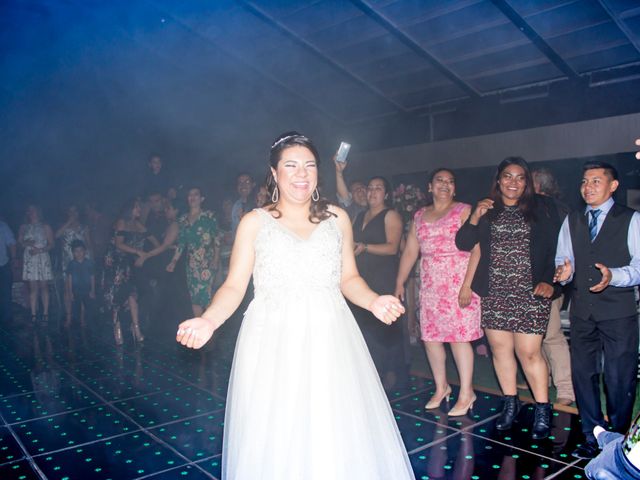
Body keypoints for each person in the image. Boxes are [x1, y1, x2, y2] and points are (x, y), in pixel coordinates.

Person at [175, 132, 415, 480]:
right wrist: (208, 321)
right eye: (291, 165)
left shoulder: (337, 219)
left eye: (309, 166)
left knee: (331, 427)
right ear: (274, 173)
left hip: (329, 334)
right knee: (278, 429)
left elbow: (349, 278)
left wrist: (374, 300)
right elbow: (233, 285)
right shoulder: (254, 222)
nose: (301, 173)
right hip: (273, 338)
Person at [456, 157, 561, 440]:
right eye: (507, 176)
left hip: (530, 292)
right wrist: (475, 215)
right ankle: (510, 404)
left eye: (519, 177)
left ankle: (542, 408)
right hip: (496, 292)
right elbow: (464, 243)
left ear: (526, 182)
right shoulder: (488, 210)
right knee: (501, 351)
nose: (513, 182)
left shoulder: (543, 208)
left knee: (529, 353)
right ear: (498, 180)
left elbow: (556, 248)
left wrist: (550, 281)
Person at [554, 161, 640, 459]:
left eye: (595, 181)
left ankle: (617, 441)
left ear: (613, 185)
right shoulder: (573, 219)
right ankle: (592, 436)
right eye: (584, 182)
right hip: (582, 311)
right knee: (583, 375)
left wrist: (613, 276)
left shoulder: (631, 219)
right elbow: (564, 259)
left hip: (619, 311)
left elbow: (639, 267)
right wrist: (563, 272)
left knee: (619, 377)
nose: (587, 187)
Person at [395, 168, 482, 416]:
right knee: (431, 338)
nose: (445, 184)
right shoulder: (419, 216)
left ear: (454, 188)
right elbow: (411, 251)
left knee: (459, 338)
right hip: (431, 286)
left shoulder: (464, 210)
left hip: (459, 284)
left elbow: (477, 249)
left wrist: (467, 285)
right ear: (430, 187)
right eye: (439, 181)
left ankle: (466, 392)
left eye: (450, 181)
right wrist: (400, 282)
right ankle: (441, 387)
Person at [351, 176, 406, 387]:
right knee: (363, 327)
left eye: (378, 188)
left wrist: (365, 247)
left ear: (387, 194)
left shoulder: (390, 215)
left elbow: (392, 247)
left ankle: (389, 372)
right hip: (361, 276)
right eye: (370, 187)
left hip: (383, 276)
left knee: (382, 326)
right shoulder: (359, 215)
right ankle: (369, 372)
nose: (372, 191)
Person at [532, 168, 575, 406]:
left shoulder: (545, 207)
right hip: (555, 281)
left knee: (550, 335)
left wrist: (549, 280)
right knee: (539, 336)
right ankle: (544, 379)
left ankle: (566, 388)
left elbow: (551, 249)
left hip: (548, 282)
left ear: (537, 185)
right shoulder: (562, 206)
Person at [167, 187, 219, 317]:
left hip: (207, 262)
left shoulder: (209, 216)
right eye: (190, 194)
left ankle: (210, 328)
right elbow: (181, 243)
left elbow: (216, 239)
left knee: (207, 297)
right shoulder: (183, 220)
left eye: (196, 194)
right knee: (194, 298)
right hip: (191, 265)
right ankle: (199, 328)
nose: (192, 197)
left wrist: (216, 260)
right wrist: (173, 261)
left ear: (202, 198)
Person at [102, 199, 147, 345]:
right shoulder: (122, 222)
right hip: (115, 264)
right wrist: (138, 251)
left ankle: (136, 328)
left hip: (128, 264)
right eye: (136, 206)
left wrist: (162, 247)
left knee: (132, 294)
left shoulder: (138, 224)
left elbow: (150, 236)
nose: (139, 209)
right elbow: (118, 244)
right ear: (130, 209)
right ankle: (117, 327)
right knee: (117, 297)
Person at [55, 204, 92, 323]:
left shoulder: (84, 227)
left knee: (82, 290)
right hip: (68, 262)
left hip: (82, 262)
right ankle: (69, 317)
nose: (72, 214)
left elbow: (89, 244)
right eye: (70, 212)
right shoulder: (63, 226)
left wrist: (91, 260)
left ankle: (82, 318)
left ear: (78, 213)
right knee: (68, 290)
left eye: (74, 212)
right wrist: (68, 222)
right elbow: (56, 235)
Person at [18, 205, 54, 322]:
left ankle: (45, 314)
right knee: (33, 288)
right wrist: (26, 242)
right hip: (30, 258)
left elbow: (52, 244)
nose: (31, 212)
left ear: (38, 211)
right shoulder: (24, 227)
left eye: (33, 210)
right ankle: (33, 315)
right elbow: (20, 243)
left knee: (44, 287)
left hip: (42, 256)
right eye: (29, 210)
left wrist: (40, 250)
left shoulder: (46, 226)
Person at [65, 240, 95, 327]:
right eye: (76, 251)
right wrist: (70, 292)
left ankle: (87, 323)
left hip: (87, 290)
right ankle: (77, 324)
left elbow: (92, 277)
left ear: (85, 251)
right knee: (76, 309)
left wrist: (92, 290)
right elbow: (69, 279)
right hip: (76, 291)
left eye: (81, 250)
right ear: (73, 253)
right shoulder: (71, 264)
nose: (79, 253)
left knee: (88, 309)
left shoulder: (89, 263)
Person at [334, 155, 367, 222]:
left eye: (362, 187)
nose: (359, 190)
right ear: (351, 196)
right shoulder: (352, 209)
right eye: (355, 190)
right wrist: (339, 172)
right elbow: (344, 198)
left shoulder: (380, 208)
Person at [0, 215, 16, 323]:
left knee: (5, 293)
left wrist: (14, 258)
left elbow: (12, 243)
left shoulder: (2, 226)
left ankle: (7, 322)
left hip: (2, 264)